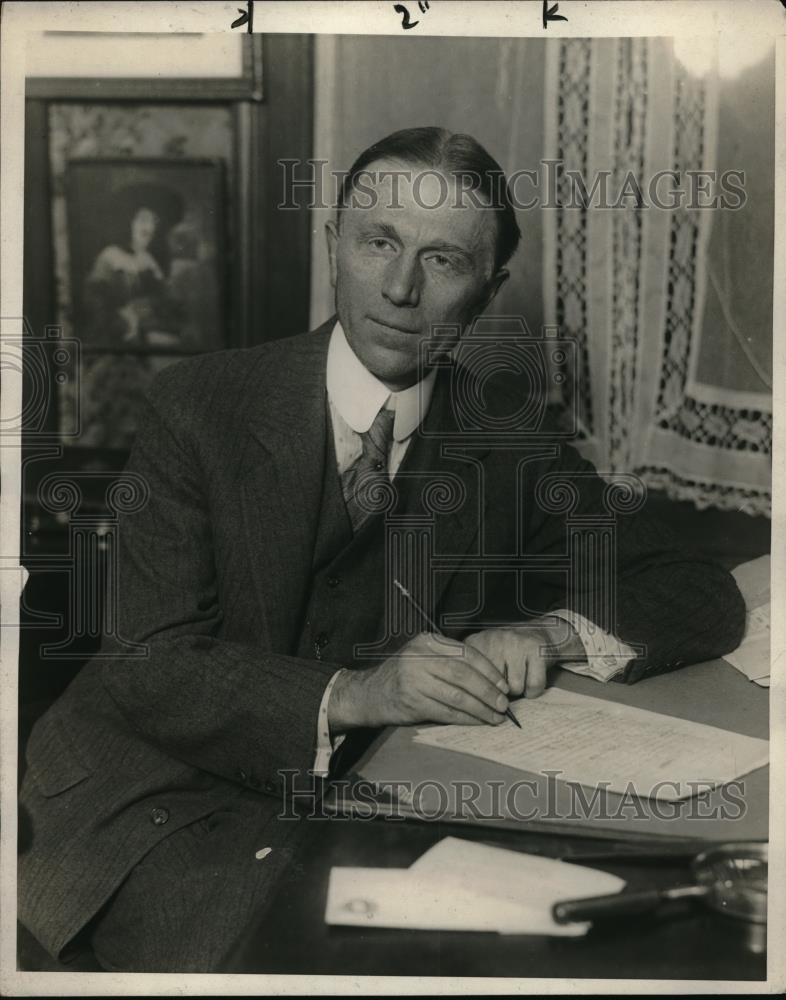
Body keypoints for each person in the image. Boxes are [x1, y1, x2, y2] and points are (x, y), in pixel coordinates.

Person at [18, 127, 745, 972]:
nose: (400, 288)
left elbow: (697, 590)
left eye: (443, 261)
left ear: (486, 290)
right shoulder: (199, 406)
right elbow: (148, 662)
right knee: (289, 966)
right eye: (378, 242)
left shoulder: (507, 436)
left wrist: (550, 634)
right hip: (153, 793)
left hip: (363, 800)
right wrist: (359, 689)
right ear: (334, 245)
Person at [82, 183, 184, 348]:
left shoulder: (150, 260)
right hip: (119, 340)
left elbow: (166, 304)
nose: (149, 228)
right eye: (143, 220)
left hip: (152, 335)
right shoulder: (110, 257)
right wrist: (123, 320)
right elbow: (96, 306)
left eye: (154, 221)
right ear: (129, 221)